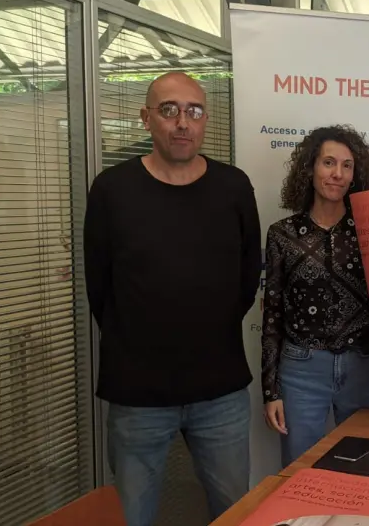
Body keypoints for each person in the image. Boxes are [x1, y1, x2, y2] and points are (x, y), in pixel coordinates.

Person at [84, 72, 261, 526]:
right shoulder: (111, 190)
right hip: (137, 395)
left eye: (194, 111)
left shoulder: (234, 188)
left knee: (233, 513)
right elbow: (98, 287)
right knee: (131, 517)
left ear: (205, 121)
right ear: (147, 118)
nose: (182, 122)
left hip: (219, 391)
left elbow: (246, 278)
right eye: (169, 110)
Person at [261, 124, 369, 467]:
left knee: (367, 472)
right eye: (329, 163)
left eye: (347, 166)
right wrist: (271, 391)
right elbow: (272, 313)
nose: (338, 174)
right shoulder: (283, 235)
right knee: (299, 473)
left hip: (365, 366)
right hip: (303, 369)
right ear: (310, 168)